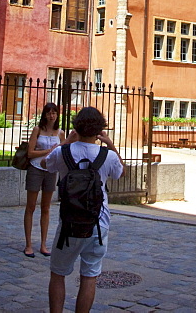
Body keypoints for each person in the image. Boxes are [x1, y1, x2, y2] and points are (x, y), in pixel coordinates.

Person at [43, 107, 124, 313]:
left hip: (69, 223)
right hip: (99, 222)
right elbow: (120, 172)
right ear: (100, 130)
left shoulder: (64, 152)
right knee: (89, 276)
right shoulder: (107, 155)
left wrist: (67, 142)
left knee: (58, 273)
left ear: (75, 127)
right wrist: (110, 143)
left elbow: (46, 163)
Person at [23, 103, 65, 258]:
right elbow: (30, 153)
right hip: (35, 169)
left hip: (50, 170)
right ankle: (28, 244)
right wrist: (49, 151)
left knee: (46, 207)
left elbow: (63, 150)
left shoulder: (60, 133)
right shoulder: (37, 130)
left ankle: (43, 244)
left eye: (54, 113)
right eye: (49, 113)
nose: (51, 116)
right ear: (44, 115)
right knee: (31, 206)